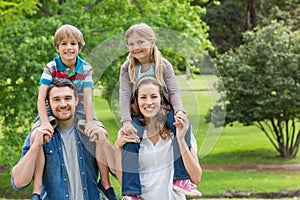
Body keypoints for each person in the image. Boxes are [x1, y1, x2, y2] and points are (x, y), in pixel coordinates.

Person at [29, 25, 117, 200]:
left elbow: (89, 97)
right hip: (52, 110)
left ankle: (105, 184)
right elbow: (41, 99)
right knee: (37, 136)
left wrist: (91, 122)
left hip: (81, 110)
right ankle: (37, 188)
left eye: (73, 43)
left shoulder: (86, 68)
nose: (69, 47)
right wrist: (45, 122)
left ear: (80, 47)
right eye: (64, 44)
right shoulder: (51, 67)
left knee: (100, 133)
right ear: (57, 47)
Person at [119, 22, 201, 198]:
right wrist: (126, 121)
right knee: (131, 141)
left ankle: (181, 179)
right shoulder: (127, 68)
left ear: (152, 42)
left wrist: (179, 112)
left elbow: (173, 91)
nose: (136, 47)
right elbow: (125, 95)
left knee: (183, 128)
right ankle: (131, 192)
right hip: (137, 114)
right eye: (131, 44)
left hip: (164, 111)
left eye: (140, 42)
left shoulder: (163, 65)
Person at [11, 79, 116, 199]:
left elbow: (121, 175)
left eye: (67, 98)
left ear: (76, 101)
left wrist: (105, 142)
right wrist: (35, 147)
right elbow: (18, 182)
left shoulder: (91, 132)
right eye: (56, 99)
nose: (63, 104)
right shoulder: (40, 134)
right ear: (48, 104)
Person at [115, 77, 202, 200]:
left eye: (154, 96)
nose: (149, 102)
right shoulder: (130, 133)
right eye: (143, 97)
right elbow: (122, 181)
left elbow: (196, 178)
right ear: (137, 101)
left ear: (161, 99)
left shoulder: (178, 130)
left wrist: (181, 140)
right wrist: (118, 147)